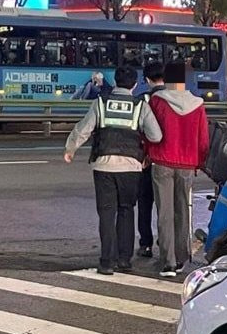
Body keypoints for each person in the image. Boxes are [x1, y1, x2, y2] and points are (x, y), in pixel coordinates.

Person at [64, 65, 162, 275]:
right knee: (126, 210)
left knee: (107, 213)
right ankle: (124, 260)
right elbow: (156, 136)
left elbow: (84, 129)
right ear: (135, 85)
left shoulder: (101, 102)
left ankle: (106, 262)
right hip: (131, 167)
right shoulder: (140, 106)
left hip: (104, 165)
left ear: (115, 82)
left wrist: (70, 149)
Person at [146, 63, 209, 278]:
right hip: (187, 166)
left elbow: (149, 131)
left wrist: (147, 153)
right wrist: (199, 163)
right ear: (183, 80)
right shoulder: (198, 104)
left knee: (164, 213)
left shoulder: (158, 101)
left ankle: (168, 262)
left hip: (162, 162)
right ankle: (182, 259)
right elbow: (203, 139)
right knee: (183, 211)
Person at [136, 62, 166, 258]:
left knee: (145, 204)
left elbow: (139, 129)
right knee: (166, 207)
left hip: (147, 159)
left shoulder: (142, 100)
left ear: (146, 79)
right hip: (170, 158)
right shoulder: (176, 99)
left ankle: (145, 244)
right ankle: (166, 243)